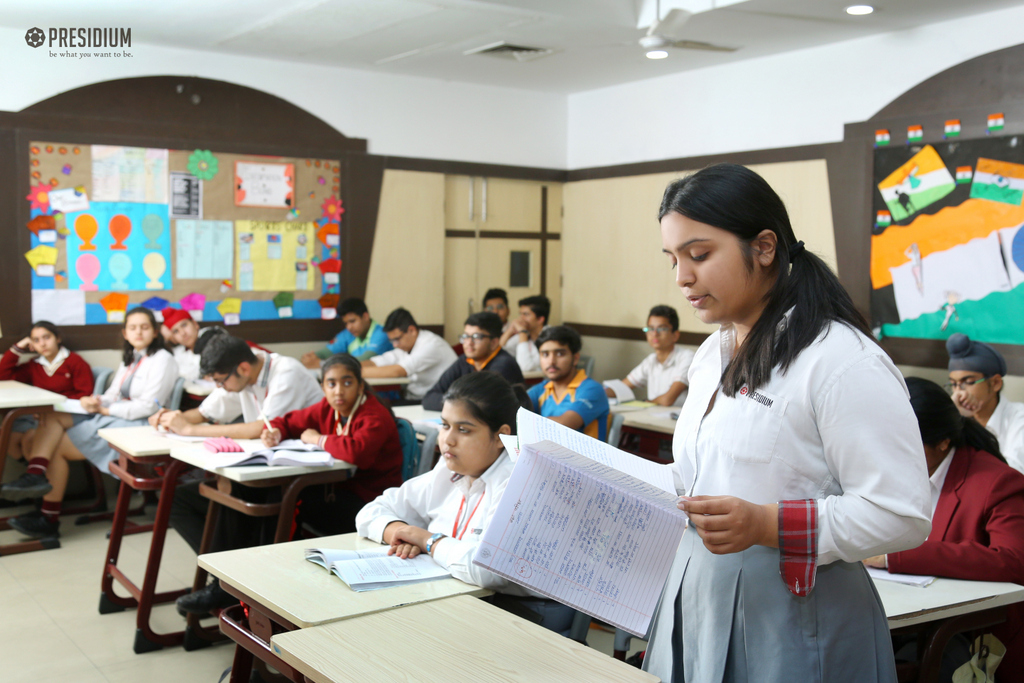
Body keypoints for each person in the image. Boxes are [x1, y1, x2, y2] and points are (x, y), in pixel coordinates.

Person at [643, 164, 930, 682]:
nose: (682, 277)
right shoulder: (712, 354)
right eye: (674, 259)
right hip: (700, 591)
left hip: (794, 613)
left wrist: (765, 524)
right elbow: (705, 474)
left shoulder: (840, 360)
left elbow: (902, 513)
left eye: (700, 255)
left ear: (765, 247)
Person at [176, 354, 404, 617]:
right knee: (251, 491)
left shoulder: (373, 413)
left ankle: (262, 591)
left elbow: (358, 452)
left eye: (347, 382)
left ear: (360, 386)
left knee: (283, 500)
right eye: (331, 384)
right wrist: (276, 432)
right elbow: (289, 421)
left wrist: (318, 439)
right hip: (332, 491)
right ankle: (229, 582)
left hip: (364, 505)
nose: (338, 390)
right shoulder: (327, 409)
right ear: (322, 387)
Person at [356, 372, 575, 633]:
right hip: (455, 600)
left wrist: (427, 540)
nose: (448, 439)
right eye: (445, 425)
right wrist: (400, 533)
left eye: (463, 429)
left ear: (500, 436)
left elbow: (484, 569)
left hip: (519, 618)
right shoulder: (449, 468)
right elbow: (369, 512)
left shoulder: (520, 481)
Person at [864, 378, 1024, 683]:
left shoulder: (996, 483)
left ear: (942, 442)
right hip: (906, 617)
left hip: (972, 640)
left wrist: (894, 555)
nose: (890, 454)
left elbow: (1014, 559)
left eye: (904, 444)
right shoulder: (888, 473)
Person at [0, 308, 178, 538]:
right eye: (133, 328)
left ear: (155, 331)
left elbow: (148, 407)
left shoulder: (163, 359)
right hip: (114, 414)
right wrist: (95, 400)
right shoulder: (132, 356)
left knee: (54, 449)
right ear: (125, 332)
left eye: (144, 327)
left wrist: (105, 408)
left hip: (139, 422)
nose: (138, 333)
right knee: (51, 416)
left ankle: (47, 514)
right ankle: (37, 479)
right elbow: (114, 393)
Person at [151, 335, 322, 439]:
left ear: (244, 369)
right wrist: (172, 418)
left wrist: (190, 430)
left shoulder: (287, 373)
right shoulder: (242, 378)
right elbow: (204, 413)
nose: (220, 387)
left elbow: (262, 428)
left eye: (221, 381)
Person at [0, 321, 93, 461]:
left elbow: (84, 394)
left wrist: (51, 408)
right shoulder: (35, 364)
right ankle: (36, 470)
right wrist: (19, 346)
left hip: (63, 415)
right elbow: (4, 376)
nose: (42, 344)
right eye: (36, 340)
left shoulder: (74, 362)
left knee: (29, 439)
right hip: (37, 415)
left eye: (46, 337)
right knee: (8, 439)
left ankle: (37, 473)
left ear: (58, 338)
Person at [946, 333, 1024, 474]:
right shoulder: (958, 420)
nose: (959, 393)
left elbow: (1012, 474)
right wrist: (956, 419)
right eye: (953, 384)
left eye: (968, 382)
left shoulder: (1019, 419)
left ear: (995, 383)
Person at [422, 312, 524, 411]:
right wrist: (457, 403)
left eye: (476, 337)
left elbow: (482, 404)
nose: (469, 343)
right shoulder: (464, 360)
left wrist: (454, 403)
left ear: (494, 342)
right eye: (466, 336)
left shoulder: (504, 364)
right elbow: (430, 397)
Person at [527, 326, 609, 442]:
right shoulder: (541, 389)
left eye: (560, 354)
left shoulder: (593, 389)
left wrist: (525, 422)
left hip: (585, 459)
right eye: (545, 354)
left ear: (575, 358)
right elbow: (511, 411)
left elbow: (563, 425)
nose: (551, 361)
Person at [604, 305, 694, 407]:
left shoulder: (687, 358)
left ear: (675, 335)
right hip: (654, 417)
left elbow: (667, 400)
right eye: (650, 328)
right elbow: (622, 388)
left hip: (678, 420)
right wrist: (597, 391)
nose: (655, 334)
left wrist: (647, 402)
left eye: (662, 328)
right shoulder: (651, 360)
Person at [362, 307, 457, 402]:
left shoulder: (431, 344)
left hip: (436, 401)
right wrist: (352, 366)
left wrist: (355, 372)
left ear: (412, 330)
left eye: (396, 339)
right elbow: (379, 361)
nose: (395, 345)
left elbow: (397, 371)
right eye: (391, 341)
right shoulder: (406, 346)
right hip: (414, 398)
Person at [301, 298, 392, 368]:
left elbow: (365, 360)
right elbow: (325, 353)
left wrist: (322, 364)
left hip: (382, 389)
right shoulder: (348, 334)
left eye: (352, 321)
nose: (349, 327)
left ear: (365, 316)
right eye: (346, 323)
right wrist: (310, 357)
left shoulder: (382, 333)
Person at [160, 308, 223, 381]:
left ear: (195, 324)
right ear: (173, 338)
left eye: (184, 325)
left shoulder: (212, 335)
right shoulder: (179, 352)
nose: (183, 333)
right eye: (176, 331)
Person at [499, 295, 550, 373]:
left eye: (526, 314)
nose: (520, 319)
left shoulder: (550, 337)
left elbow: (526, 367)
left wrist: (522, 333)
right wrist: (510, 330)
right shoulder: (526, 334)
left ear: (540, 319)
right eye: (520, 314)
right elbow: (499, 350)